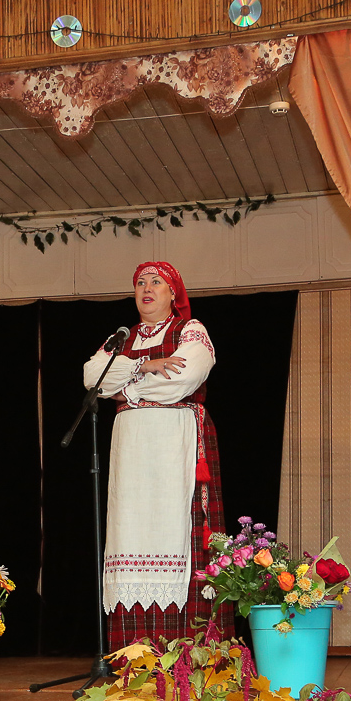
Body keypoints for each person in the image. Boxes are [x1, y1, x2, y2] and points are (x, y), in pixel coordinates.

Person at [83, 261, 227, 651]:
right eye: (140, 283)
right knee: (131, 528)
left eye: (156, 282)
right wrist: (145, 365)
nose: (147, 288)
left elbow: (182, 379)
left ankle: (187, 654)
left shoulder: (190, 330)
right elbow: (94, 377)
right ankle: (134, 654)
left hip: (175, 441)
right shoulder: (121, 338)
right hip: (132, 447)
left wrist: (127, 391)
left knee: (177, 526)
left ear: (173, 293)